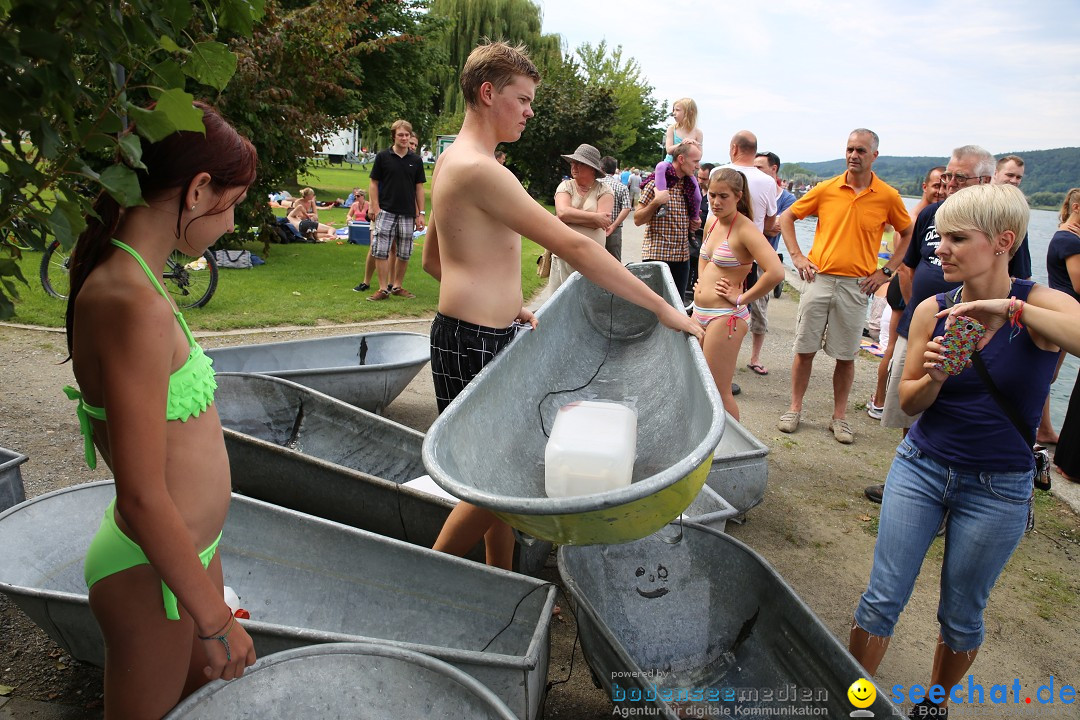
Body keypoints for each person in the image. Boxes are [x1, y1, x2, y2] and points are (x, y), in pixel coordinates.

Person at [422, 40, 703, 570]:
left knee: (494, 481)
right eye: (523, 99)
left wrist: (503, 305)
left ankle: (498, 580)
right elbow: (572, 245)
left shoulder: (450, 162)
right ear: (488, 93)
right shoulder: (483, 170)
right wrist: (663, 308)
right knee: (487, 489)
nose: (530, 111)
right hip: (476, 340)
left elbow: (434, 261)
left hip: (472, 332)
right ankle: (426, 580)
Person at [849, 183, 1080, 719]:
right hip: (922, 467)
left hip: (999, 486)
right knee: (882, 598)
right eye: (938, 237)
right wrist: (935, 376)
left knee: (961, 613)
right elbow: (908, 402)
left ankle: (934, 703)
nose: (939, 249)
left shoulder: (1042, 305)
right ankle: (855, 699)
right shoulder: (934, 308)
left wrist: (1009, 310)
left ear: (1003, 241)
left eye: (956, 238)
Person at [62, 101, 258, 716]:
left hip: (183, 559)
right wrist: (214, 617)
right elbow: (141, 495)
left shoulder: (142, 281)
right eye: (232, 207)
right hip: (150, 575)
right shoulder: (130, 301)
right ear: (198, 191)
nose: (230, 227)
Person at [778, 129, 913, 444]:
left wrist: (887, 271)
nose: (854, 155)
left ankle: (839, 418)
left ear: (874, 156)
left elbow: (907, 234)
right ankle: (794, 408)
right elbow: (787, 217)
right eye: (850, 149)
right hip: (818, 278)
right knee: (804, 348)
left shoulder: (888, 196)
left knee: (847, 355)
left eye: (861, 150)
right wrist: (797, 256)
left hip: (856, 286)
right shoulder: (826, 189)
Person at [693, 168, 784, 419]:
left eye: (723, 196)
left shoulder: (745, 229)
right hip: (700, 312)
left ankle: (732, 451)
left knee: (718, 392)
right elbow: (704, 256)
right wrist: (701, 282)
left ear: (738, 196)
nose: (715, 202)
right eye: (711, 195)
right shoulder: (711, 222)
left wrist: (742, 297)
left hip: (725, 317)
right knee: (696, 386)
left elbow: (775, 272)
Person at [868, 167, 945, 421]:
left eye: (944, 185)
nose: (941, 190)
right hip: (905, 291)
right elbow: (904, 266)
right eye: (936, 185)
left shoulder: (940, 215)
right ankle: (880, 399)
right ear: (925, 186)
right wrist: (916, 306)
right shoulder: (916, 217)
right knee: (893, 347)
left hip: (914, 291)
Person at [745, 150, 796, 376]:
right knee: (734, 305)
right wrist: (764, 224)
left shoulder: (786, 199)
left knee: (759, 309)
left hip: (764, 260)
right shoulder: (750, 190)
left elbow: (776, 227)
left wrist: (760, 224)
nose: (755, 172)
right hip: (743, 256)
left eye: (760, 168)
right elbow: (766, 225)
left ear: (773, 169)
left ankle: (754, 358)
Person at [364, 119, 426, 301]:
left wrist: (420, 213)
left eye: (407, 135)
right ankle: (383, 289)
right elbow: (373, 183)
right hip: (386, 211)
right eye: (400, 135)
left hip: (407, 213)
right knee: (380, 250)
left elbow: (419, 188)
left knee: (404, 252)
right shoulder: (383, 157)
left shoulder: (416, 160)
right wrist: (375, 206)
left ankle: (397, 285)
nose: (404, 138)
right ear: (394, 136)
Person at [634, 142, 703, 298]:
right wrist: (656, 202)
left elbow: (689, 220)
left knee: (677, 305)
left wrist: (694, 223)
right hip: (658, 256)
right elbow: (638, 219)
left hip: (681, 257)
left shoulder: (689, 187)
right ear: (681, 159)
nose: (698, 166)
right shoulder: (655, 184)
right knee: (654, 307)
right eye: (695, 161)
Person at [548, 144, 614, 293]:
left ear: (592, 168)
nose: (574, 167)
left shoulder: (604, 190)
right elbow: (563, 212)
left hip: (592, 259)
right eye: (573, 162)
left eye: (580, 163)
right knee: (560, 300)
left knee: (587, 302)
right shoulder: (566, 186)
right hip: (564, 255)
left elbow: (602, 222)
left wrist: (570, 218)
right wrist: (593, 217)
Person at [1049, 188, 1080, 482]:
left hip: (1062, 314)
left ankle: (1043, 429)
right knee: (1049, 373)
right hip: (1064, 315)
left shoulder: (1066, 236)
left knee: (1050, 374)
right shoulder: (1069, 239)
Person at [652, 98, 703, 220]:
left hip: (686, 166)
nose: (674, 113)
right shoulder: (672, 129)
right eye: (673, 110)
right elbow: (669, 149)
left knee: (697, 195)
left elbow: (699, 154)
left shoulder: (697, 133)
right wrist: (683, 144)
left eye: (677, 110)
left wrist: (694, 144)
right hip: (671, 163)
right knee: (660, 166)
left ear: (689, 112)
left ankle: (695, 218)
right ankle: (663, 203)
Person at [599, 155, 632, 262]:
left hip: (595, 226)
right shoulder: (621, 187)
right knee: (614, 261)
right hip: (614, 229)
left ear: (601, 168)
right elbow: (626, 208)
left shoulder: (595, 184)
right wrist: (613, 226)